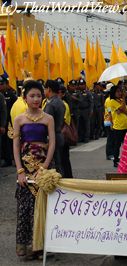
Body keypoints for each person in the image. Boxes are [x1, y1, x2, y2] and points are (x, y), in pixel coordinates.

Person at [13, 80, 55, 260]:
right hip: (26, 166)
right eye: (32, 96)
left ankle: (41, 248)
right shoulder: (19, 119)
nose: (36, 99)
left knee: (44, 206)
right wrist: (20, 171)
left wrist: (45, 167)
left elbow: (52, 142)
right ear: (25, 98)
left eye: (39, 95)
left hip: (44, 166)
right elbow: (15, 145)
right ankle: (27, 247)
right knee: (26, 207)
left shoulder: (48, 118)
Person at [44, 80, 66, 177]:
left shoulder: (50, 104)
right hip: (59, 134)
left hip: (52, 136)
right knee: (60, 161)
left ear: (48, 89)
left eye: (45, 88)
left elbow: (46, 122)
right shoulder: (60, 102)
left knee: (55, 163)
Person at [109, 85, 127, 167]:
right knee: (117, 145)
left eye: (120, 91)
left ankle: (126, 159)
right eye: (117, 91)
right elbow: (122, 109)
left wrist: (122, 104)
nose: (119, 93)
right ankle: (115, 160)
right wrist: (124, 99)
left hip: (126, 126)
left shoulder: (120, 100)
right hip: (118, 126)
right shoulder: (112, 101)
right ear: (113, 93)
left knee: (126, 144)